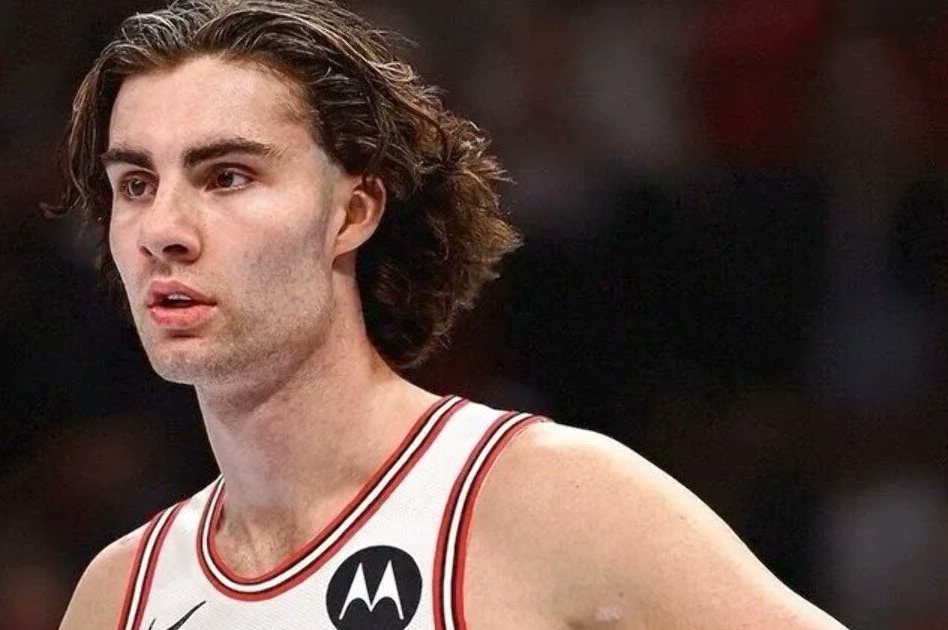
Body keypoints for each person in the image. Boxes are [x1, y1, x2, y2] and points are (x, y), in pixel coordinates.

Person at [53, 1, 847, 628]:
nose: (163, 229)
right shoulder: (119, 595)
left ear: (354, 210)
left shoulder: (549, 498)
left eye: (227, 176)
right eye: (136, 185)